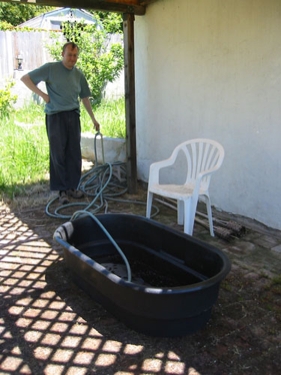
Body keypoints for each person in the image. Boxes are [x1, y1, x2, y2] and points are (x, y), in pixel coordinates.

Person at [21, 42, 100, 205]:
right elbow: (26, 78)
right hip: (55, 117)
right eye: (69, 55)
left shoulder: (78, 75)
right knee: (58, 153)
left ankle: (72, 187)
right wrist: (43, 95)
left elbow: (85, 98)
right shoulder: (51, 69)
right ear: (62, 54)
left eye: (75, 55)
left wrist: (93, 119)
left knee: (73, 153)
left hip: (73, 116)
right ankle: (61, 191)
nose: (72, 58)